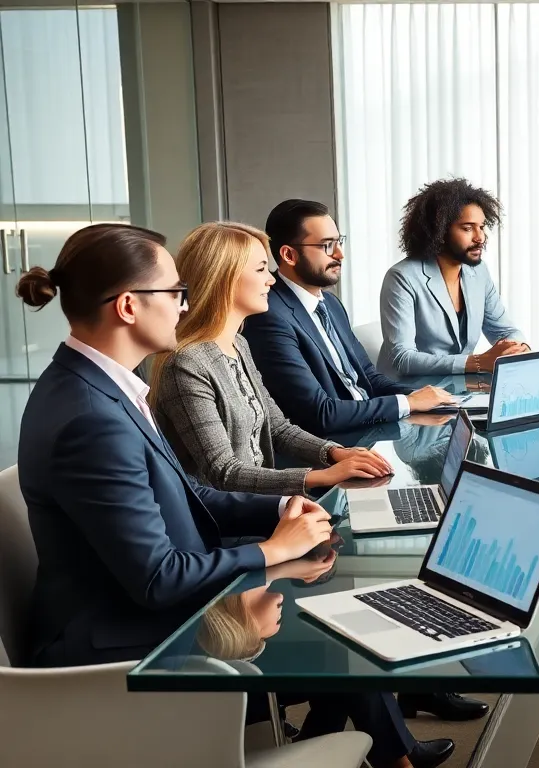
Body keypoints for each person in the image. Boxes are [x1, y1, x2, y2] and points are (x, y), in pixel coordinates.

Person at [13, 224, 455, 768]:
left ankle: (370, 748)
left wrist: (282, 510)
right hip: (126, 652)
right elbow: (157, 579)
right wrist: (269, 554)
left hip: (141, 613)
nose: (184, 305)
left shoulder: (99, 387)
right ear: (128, 306)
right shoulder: (92, 417)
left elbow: (188, 495)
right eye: (175, 292)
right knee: (336, 634)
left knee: (334, 620)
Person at [150, 222, 394, 496]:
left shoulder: (239, 344)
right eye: (260, 269)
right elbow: (224, 472)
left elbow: (278, 428)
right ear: (224, 278)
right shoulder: (187, 364)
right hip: (227, 516)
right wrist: (323, 476)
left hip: (264, 503)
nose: (271, 279)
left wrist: (336, 453)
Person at [241, 199, 457, 437]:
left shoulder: (331, 303)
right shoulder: (268, 316)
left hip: (369, 431)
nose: (340, 254)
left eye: (339, 242)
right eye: (327, 245)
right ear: (289, 255)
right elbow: (319, 414)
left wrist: (429, 397)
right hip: (333, 444)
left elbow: (368, 377)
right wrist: (408, 403)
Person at [380, 178, 529, 376]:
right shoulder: (402, 278)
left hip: (459, 387)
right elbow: (403, 358)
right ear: (439, 231)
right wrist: (477, 362)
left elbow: (505, 331)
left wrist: (519, 348)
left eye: (482, 227)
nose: (480, 237)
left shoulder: (478, 272)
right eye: (467, 228)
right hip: (410, 389)